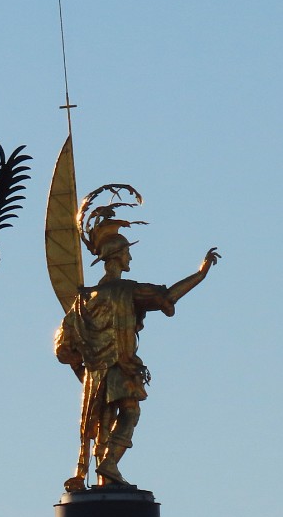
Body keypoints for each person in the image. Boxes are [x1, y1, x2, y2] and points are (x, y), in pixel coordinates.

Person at [55, 201, 218, 490]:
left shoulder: (82, 300)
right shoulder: (125, 291)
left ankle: (106, 471)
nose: (130, 257)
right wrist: (201, 274)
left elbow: (62, 346)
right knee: (130, 411)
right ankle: (108, 465)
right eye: (127, 252)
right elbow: (167, 297)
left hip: (95, 374)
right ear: (117, 256)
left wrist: (84, 365)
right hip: (119, 366)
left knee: (103, 423)